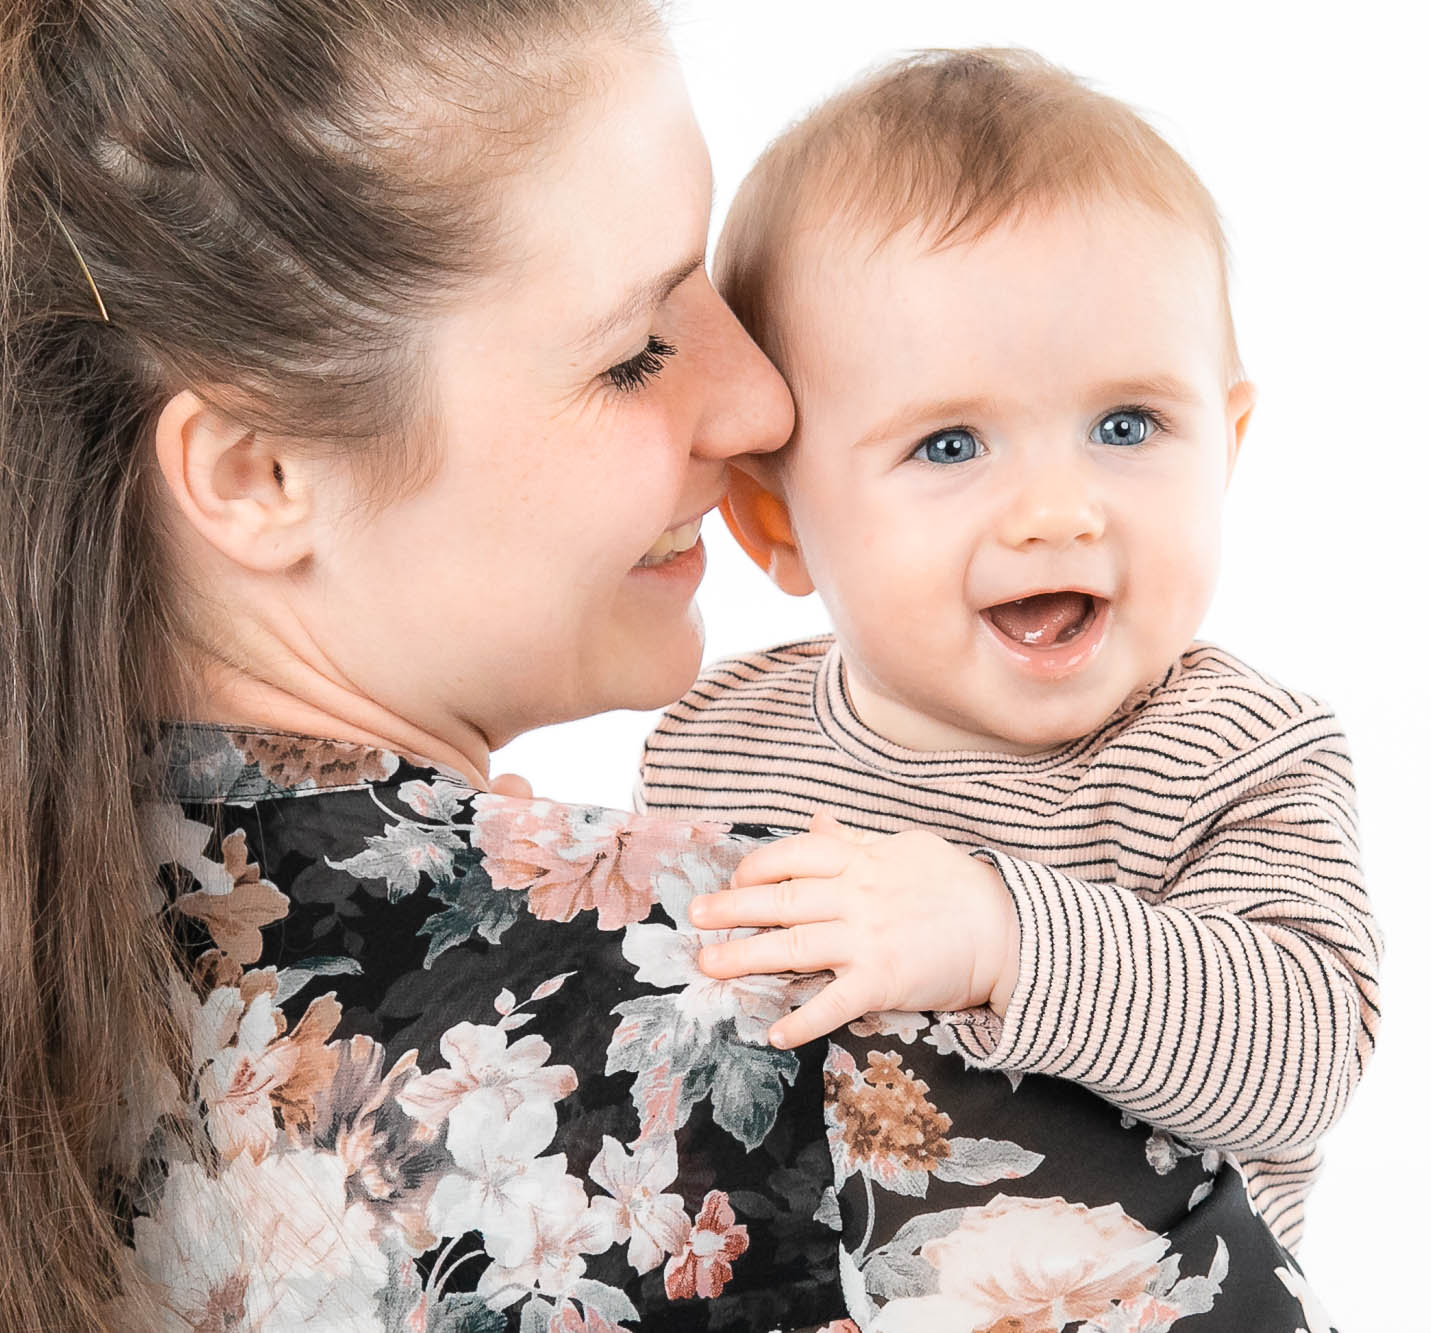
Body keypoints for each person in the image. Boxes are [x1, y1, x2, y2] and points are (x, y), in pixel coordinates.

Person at [0, 4, 1339, 1327]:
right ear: (260, 472)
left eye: (1126, 423)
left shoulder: (70, 955)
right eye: (634, 352)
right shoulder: (793, 1037)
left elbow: (1307, 1035)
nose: (766, 404)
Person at [639, 47, 1383, 1258]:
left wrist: (1005, 936)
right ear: (776, 519)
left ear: (1227, 446)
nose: (1055, 511)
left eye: (1126, 425)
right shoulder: (716, 746)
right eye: (950, 445)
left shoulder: (1233, 753)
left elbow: (1306, 1054)